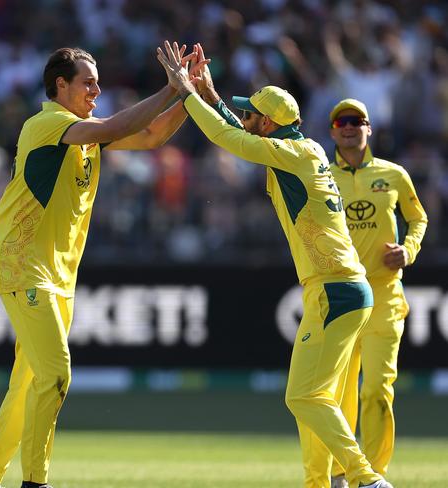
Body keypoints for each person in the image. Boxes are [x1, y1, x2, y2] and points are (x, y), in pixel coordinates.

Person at [0, 45, 207, 488]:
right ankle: (36, 482)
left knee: (27, 383)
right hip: (25, 265)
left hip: (59, 273)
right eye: (88, 82)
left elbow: (150, 137)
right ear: (60, 86)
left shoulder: (82, 131)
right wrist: (173, 88)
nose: (97, 89)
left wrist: (193, 95)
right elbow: (118, 124)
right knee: (56, 374)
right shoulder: (48, 123)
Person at [156, 41, 393, 488]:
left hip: (333, 289)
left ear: (267, 123)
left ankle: (366, 478)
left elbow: (230, 138)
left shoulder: (294, 155)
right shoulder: (304, 150)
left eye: (251, 114)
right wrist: (210, 96)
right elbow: (240, 132)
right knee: (319, 399)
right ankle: (326, 482)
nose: (245, 119)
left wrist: (187, 91)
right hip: (341, 288)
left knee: (303, 396)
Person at [326, 99, 427, 488]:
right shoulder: (320, 174)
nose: (349, 127)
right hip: (342, 296)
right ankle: (340, 472)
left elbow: (418, 218)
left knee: (377, 392)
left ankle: (372, 477)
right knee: (339, 393)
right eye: (341, 121)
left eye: (356, 121)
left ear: (369, 128)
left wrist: (410, 250)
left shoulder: (394, 175)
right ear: (333, 130)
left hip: (385, 295)